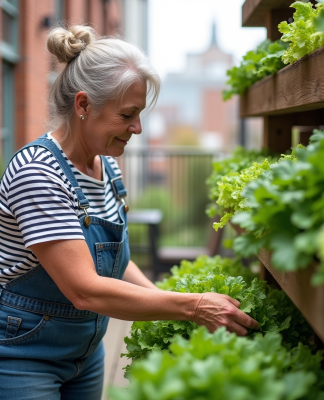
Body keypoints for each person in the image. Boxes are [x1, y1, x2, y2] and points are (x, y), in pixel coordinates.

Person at [0, 25, 258, 399]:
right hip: (25, 355)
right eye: (127, 115)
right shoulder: (39, 173)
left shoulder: (107, 167)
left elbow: (114, 263)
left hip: (86, 352)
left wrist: (161, 300)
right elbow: (84, 290)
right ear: (83, 105)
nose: (137, 127)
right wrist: (193, 306)